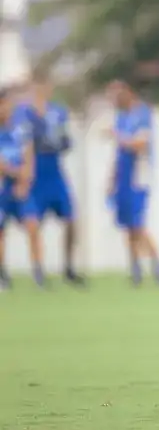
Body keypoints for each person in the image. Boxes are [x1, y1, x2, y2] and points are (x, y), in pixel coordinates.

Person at [20, 77, 83, 285]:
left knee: (71, 218)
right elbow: (22, 139)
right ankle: (38, 270)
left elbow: (66, 141)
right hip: (34, 170)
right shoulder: (24, 113)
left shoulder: (58, 113)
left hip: (55, 171)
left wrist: (59, 140)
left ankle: (69, 268)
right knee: (34, 223)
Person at [107, 80, 159, 286]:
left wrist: (118, 137)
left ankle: (157, 264)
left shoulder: (142, 114)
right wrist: (112, 179)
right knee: (127, 225)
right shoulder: (121, 117)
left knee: (138, 224)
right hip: (123, 176)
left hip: (138, 178)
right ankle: (135, 268)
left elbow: (140, 144)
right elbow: (119, 153)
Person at [0, 88, 44, 288]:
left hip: (20, 187)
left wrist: (24, 180)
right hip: (2, 188)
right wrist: (14, 171)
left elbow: (29, 157)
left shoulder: (20, 130)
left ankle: (38, 273)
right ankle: (3, 275)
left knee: (32, 225)